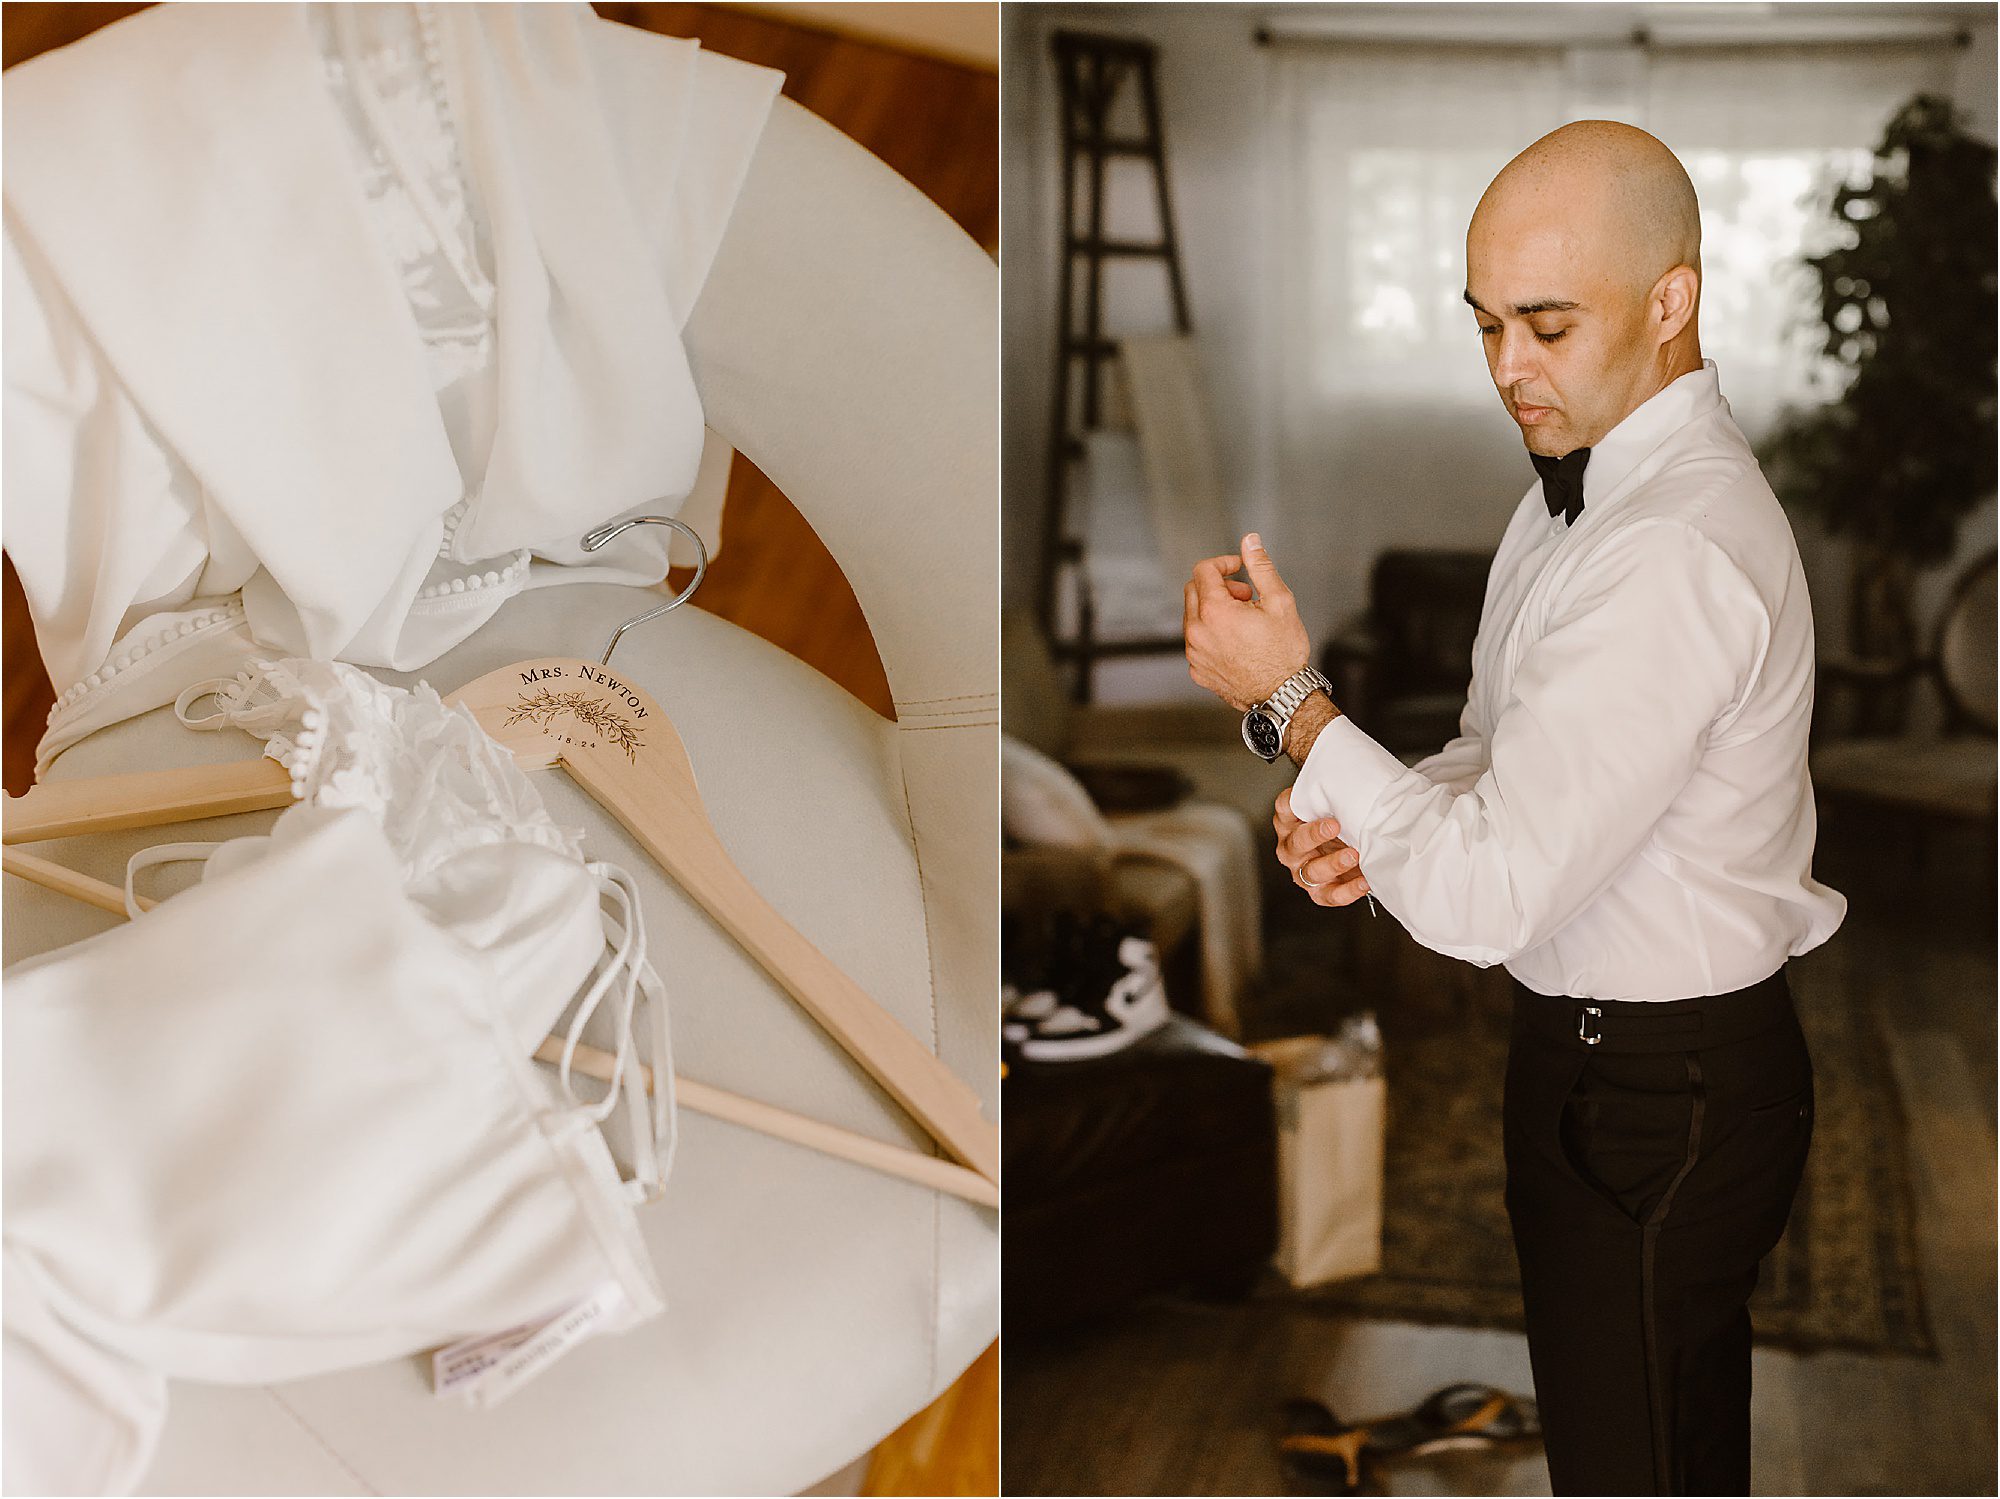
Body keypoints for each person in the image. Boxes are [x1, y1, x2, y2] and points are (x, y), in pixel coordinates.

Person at [1182, 120, 1846, 1496]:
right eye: (1485, 326)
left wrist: (1291, 706)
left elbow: (1492, 895)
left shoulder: (1671, 545)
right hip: (1591, 1061)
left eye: (1546, 324)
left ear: (1674, 302)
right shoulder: (1567, 504)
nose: (1506, 370)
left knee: (1634, 1473)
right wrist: (1366, 812)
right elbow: (1499, 756)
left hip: (1667, 1093)